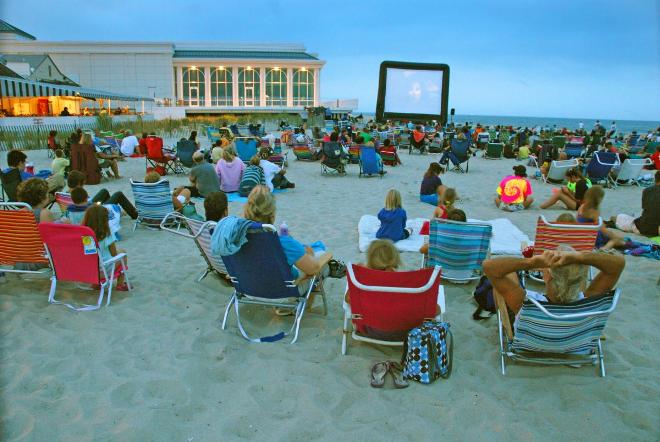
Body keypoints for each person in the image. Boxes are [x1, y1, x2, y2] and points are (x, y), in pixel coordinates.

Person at [483, 245, 624, 318]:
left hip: (532, 345)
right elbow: (618, 264)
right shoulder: (588, 304)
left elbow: (489, 266)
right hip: (574, 345)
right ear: (580, 279)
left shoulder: (526, 304)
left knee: (508, 278)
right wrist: (580, 257)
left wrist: (531, 262)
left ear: (548, 276)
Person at [243, 186, 332, 295]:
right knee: (323, 262)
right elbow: (313, 269)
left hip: (249, 291)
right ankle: (297, 304)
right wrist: (310, 255)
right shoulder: (282, 243)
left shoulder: (237, 239)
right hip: (283, 294)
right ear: (272, 215)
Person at [82, 204, 129, 291]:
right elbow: (114, 253)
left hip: (89, 271)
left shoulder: (82, 234)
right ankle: (120, 284)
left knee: (93, 258)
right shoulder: (106, 233)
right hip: (103, 270)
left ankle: (96, 284)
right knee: (123, 253)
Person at [66, 170, 138, 219]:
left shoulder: (66, 194)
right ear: (79, 183)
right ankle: (135, 214)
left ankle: (112, 212)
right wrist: (96, 204)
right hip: (94, 211)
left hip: (90, 206)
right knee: (118, 194)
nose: (84, 185)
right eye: (83, 183)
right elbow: (86, 206)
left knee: (104, 191)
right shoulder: (78, 193)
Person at [614, 170, 660, 237]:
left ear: (655, 180)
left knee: (619, 217)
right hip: (652, 228)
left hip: (645, 229)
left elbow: (647, 208)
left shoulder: (647, 190)